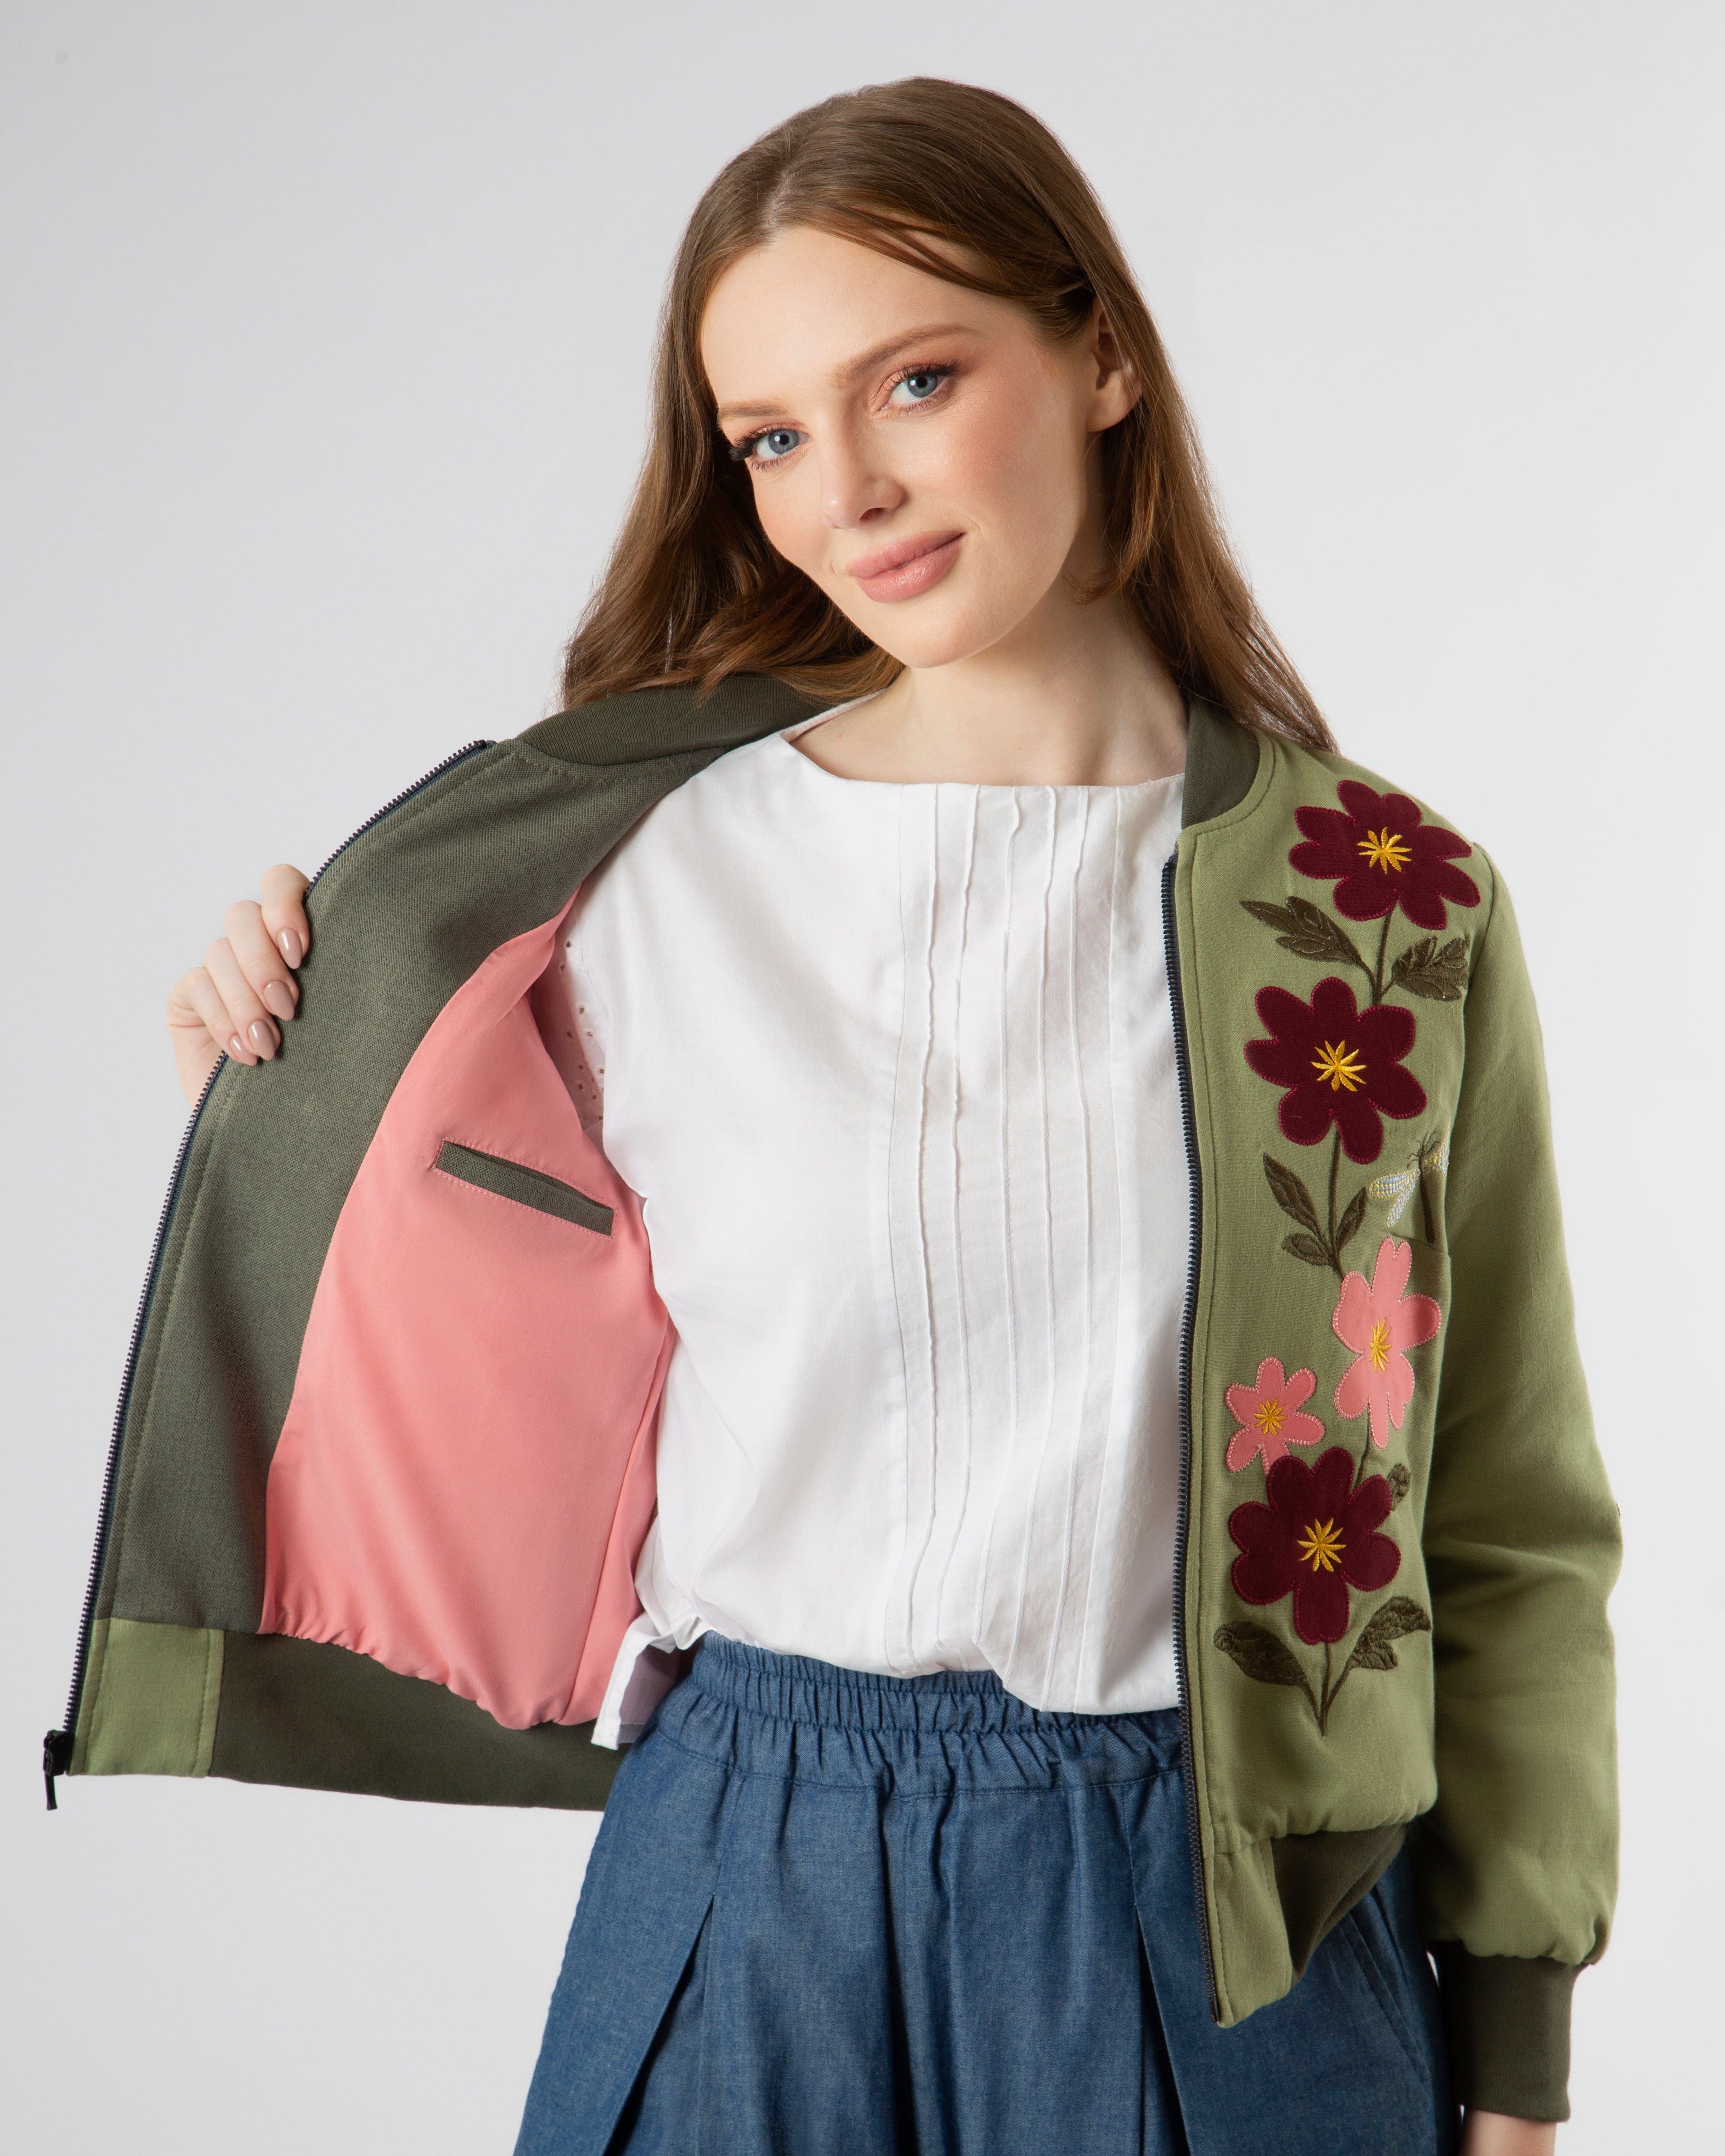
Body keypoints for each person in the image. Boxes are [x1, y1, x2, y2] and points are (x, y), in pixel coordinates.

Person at [52, 77, 1617, 2156]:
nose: (849, 490)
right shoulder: (625, 879)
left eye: (917, 380)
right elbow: (475, 1344)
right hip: (748, 1870)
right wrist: (289, 1094)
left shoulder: (1386, 912)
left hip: (1223, 1910)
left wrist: (1517, 2045)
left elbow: (1500, 1510)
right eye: (773, 437)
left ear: (1104, 356)